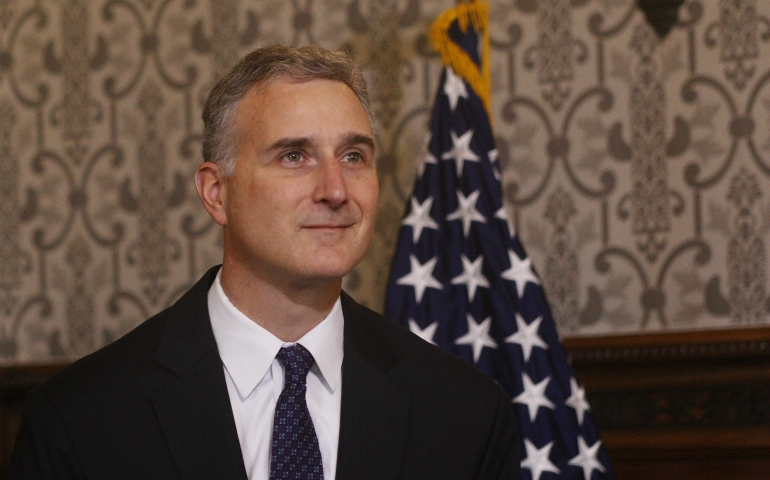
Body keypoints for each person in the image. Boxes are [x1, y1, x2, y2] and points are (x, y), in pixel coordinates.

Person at [10, 45, 519, 480]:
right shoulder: (80, 420)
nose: (336, 190)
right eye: (294, 156)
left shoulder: (465, 414)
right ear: (216, 193)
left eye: (353, 156)